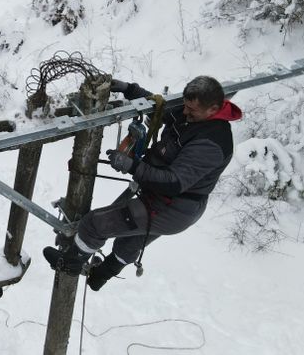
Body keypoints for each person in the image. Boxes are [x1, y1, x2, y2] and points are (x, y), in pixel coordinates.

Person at [43, 76, 242, 291]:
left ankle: (70, 263)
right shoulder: (193, 116)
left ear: (213, 109)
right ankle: (101, 274)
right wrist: (129, 89)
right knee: (130, 242)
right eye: (185, 106)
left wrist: (132, 166)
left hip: (171, 207)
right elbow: (160, 109)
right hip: (166, 200)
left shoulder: (211, 143)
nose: (185, 112)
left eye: (191, 110)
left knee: (95, 224)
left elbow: (174, 183)